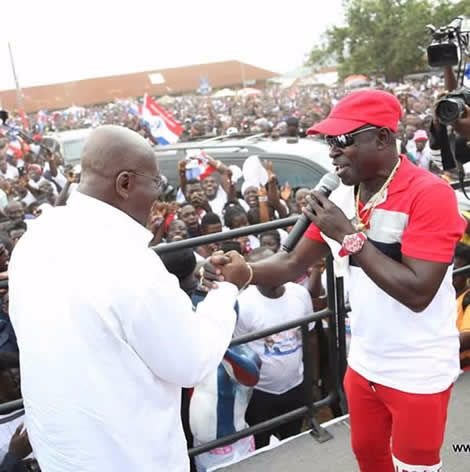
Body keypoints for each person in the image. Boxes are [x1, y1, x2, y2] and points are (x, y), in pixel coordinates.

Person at [207, 89, 466, 472]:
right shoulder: (343, 197)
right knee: (369, 458)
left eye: (343, 141)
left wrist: (348, 237)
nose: (332, 152)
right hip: (364, 363)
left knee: (415, 468)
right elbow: (292, 260)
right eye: (329, 141)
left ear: (382, 138)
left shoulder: (430, 195)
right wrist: (242, 270)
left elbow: (418, 292)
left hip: (418, 366)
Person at [8, 125, 252, 472]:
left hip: (65, 458)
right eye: (155, 184)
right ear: (124, 183)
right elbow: (191, 361)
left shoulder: (34, 241)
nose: (158, 198)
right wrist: (228, 289)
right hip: (130, 458)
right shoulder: (130, 262)